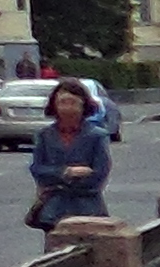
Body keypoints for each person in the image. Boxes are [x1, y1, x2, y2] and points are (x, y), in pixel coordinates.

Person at [27, 84, 111, 226]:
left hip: (89, 210)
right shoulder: (44, 135)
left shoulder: (97, 136)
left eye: (73, 103)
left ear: (83, 106)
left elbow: (99, 174)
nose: (67, 108)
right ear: (54, 105)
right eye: (62, 103)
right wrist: (66, 172)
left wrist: (60, 181)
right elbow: (37, 169)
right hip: (53, 211)